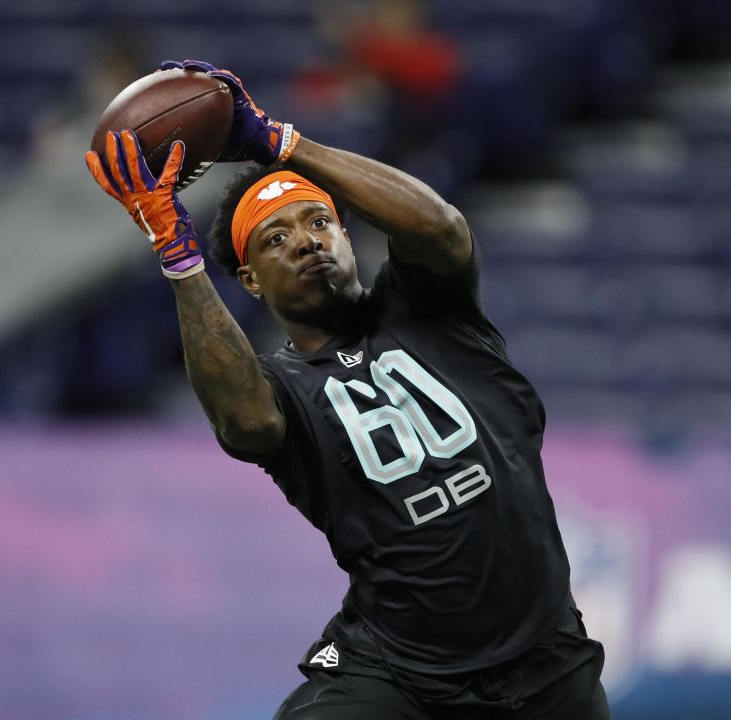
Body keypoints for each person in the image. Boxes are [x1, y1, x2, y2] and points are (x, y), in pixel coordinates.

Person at [84, 59, 612, 720]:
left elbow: (442, 230)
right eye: (276, 238)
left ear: (346, 234)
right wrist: (176, 252)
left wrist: (284, 145)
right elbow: (244, 422)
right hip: (398, 670)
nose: (305, 242)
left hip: (548, 657)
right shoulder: (283, 386)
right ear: (250, 281)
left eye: (317, 222)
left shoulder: (426, 310)